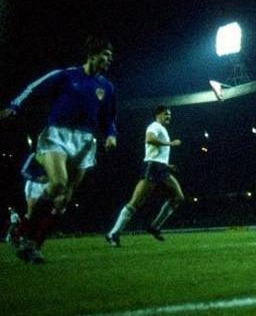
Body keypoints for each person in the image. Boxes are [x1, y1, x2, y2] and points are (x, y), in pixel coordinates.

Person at [1, 36, 118, 263]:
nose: (109, 59)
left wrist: (112, 135)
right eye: (106, 54)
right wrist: (14, 105)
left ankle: (33, 245)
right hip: (57, 135)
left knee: (63, 199)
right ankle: (20, 231)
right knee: (58, 183)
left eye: (111, 56)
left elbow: (110, 118)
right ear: (92, 54)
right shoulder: (67, 75)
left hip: (85, 142)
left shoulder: (107, 87)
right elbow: (33, 88)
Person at [105, 105, 185, 246]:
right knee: (136, 202)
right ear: (158, 115)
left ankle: (154, 227)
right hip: (152, 167)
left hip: (161, 167)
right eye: (166, 114)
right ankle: (113, 233)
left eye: (170, 114)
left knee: (178, 197)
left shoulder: (162, 129)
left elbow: (156, 152)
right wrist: (170, 143)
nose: (169, 117)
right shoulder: (153, 126)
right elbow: (149, 140)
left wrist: (167, 165)